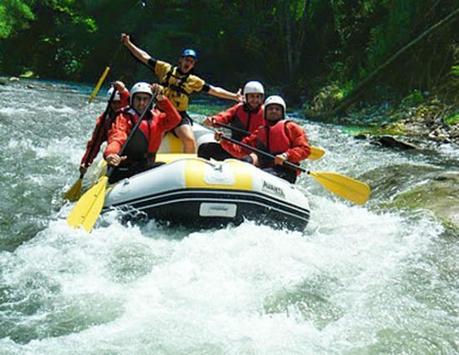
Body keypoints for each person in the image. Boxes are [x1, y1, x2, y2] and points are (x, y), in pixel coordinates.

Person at [120, 33, 242, 153]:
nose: (188, 63)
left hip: (179, 116)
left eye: (191, 62)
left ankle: (191, 167)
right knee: (152, 138)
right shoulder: (165, 69)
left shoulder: (194, 81)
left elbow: (214, 90)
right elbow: (144, 57)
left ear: (193, 65)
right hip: (160, 113)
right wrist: (128, 44)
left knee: (189, 140)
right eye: (186, 60)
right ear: (180, 60)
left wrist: (234, 96)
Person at [216, 95, 311, 183]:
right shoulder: (260, 132)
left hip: (285, 170)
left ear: (282, 113)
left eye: (277, 109)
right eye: (270, 109)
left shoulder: (291, 127)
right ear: (265, 113)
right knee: (245, 160)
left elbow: (305, 149)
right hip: (265, 168)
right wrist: (223, 141)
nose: (273, 111)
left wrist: (286, 155)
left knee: (264, 174)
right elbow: (241, 149)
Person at [104, 82, 181, 184]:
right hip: (124, 169)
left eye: (145, 99)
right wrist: (111, 154)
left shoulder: (157, 118)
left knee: (166, 168)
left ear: (151, 101)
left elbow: (175, 119)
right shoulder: (124, 118)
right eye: (138, 99)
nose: (141, 103)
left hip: (145, 166)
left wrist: (162, 100)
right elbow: (117, 138)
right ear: (132, 100)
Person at [198, 80, 265, 161]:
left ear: (262, 98)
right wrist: (214, 120)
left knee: (247, 160)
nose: (255, 100)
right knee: (204, 148)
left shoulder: (265, 113)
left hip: (252, 153)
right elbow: (224, 116)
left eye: (258, 97)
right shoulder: (238, 108)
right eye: (252, 96)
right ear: (246, 97)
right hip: (233, 148)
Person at [80, 81, 130, 174]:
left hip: (130, 148)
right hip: (114, 150)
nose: (116, 106)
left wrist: (123, 90)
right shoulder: (103, 120)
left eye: (118, 102)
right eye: (113, 103)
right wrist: (85, 162)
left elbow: (128, 100)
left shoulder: (129, 113)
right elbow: (94, 143)